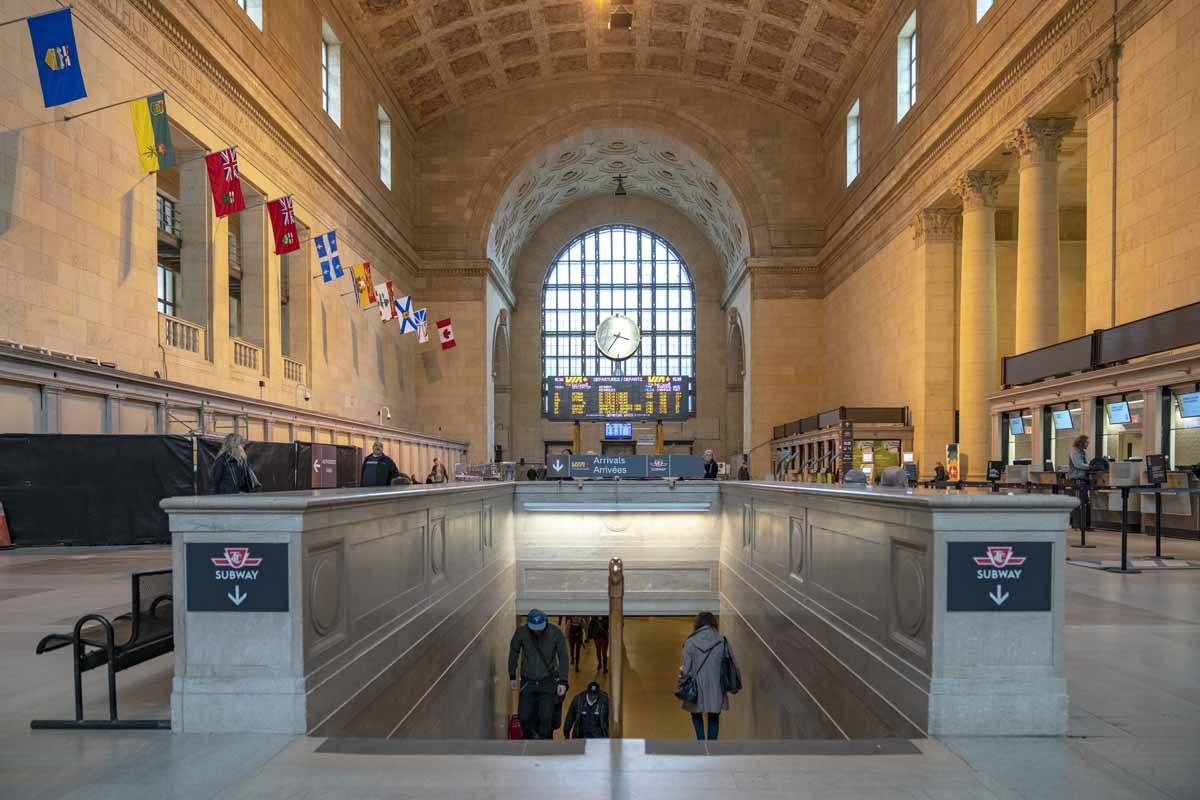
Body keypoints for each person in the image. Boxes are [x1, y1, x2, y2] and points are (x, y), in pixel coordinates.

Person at [507, 609, 569, 739]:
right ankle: (530, 737)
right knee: (523, 716)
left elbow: (563, 656)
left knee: (546, 717)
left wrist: (563, 680)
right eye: (534, 628)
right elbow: (514, 651)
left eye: (539, 628)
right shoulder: (521, 633)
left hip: (547, 681)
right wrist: (512, 674)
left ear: (545, 622)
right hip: (528, 681)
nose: (537, 631)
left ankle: (545, 742)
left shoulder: (555, 633)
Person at [679, 611, 737, 741]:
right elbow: (733, 664)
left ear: (697, 625)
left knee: (695, 713)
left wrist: (682, 674)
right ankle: (712, 745)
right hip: (716, 686)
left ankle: (700, 741)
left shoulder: (690, 642)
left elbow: (687, 669)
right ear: (713, 624)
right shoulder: (722, 641)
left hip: (697, 686)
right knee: (714, 716)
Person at [1068, 435, 1091, 531]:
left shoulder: (1083, 452)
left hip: (1083, 479)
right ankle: (1077, 524)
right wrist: (1090, 467)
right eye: (1086, 442)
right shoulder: (1075, 452)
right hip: (1077, 479)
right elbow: (1078, 464)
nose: (1088, 444)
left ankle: (1083, 524)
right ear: (1081, 442)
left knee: (1084, 501)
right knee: (1079, 502)